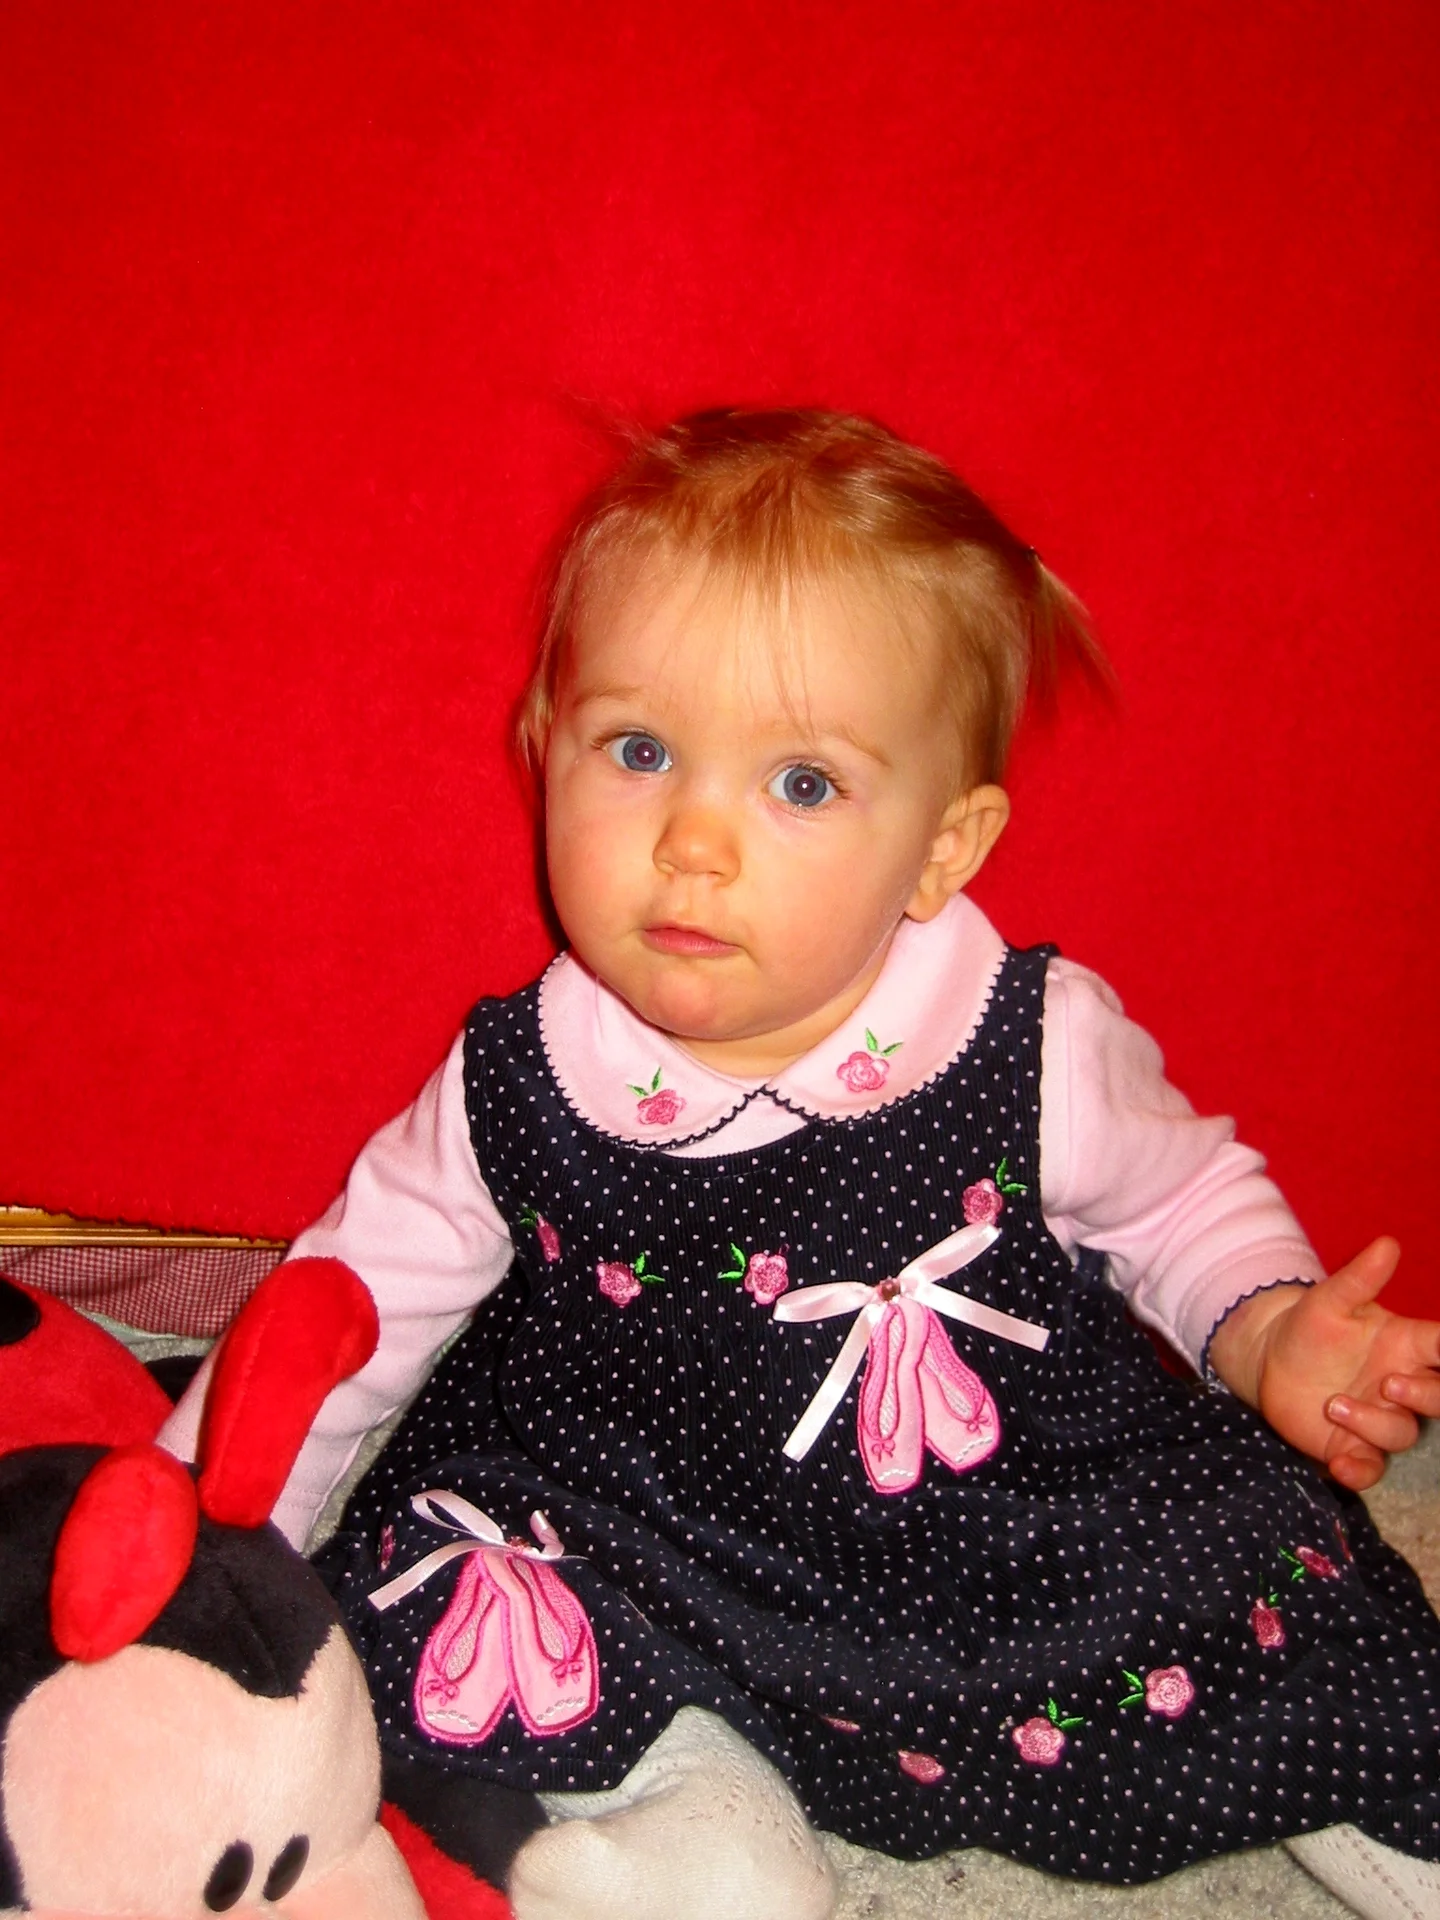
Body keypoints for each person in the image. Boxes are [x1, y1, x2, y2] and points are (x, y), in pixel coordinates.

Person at [162, 409, 1440, 1920]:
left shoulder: (1024, 1038)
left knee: (1247, 1583)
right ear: (545, 749)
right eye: (640, 752)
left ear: (944, 849)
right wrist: (197, 1534)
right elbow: (349, 1306)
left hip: (990, 1518)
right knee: (485, 1623)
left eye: (804, 785)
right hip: (629, 1519)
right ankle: (677, 1817)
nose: (692, 842)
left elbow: (1182, 1202)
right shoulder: (520, 1072)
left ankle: (1360, 1785)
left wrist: (1268, 1325)